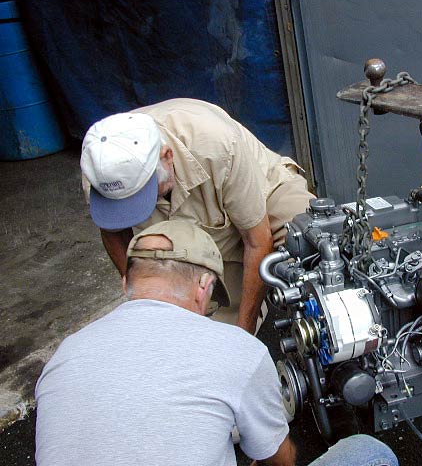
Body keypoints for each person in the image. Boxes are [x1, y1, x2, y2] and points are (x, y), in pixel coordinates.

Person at [35, 220, 399, 466]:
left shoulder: (64, 357)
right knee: (368, 453)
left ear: (126, 284)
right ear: (203, 287)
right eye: (210, 303)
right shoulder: (235, 351)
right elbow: (280, 460)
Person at [80, 98, 315, 333]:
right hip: (199, 238)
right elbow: (112, 233)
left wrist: (245, 334)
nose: (137, 205)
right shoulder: (101, 170)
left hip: (262, 193)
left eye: (142, 193)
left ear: (167, 156)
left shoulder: (215, 142)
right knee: (203, 339)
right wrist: (139, 293)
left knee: (312, 236)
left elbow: (257, 239)